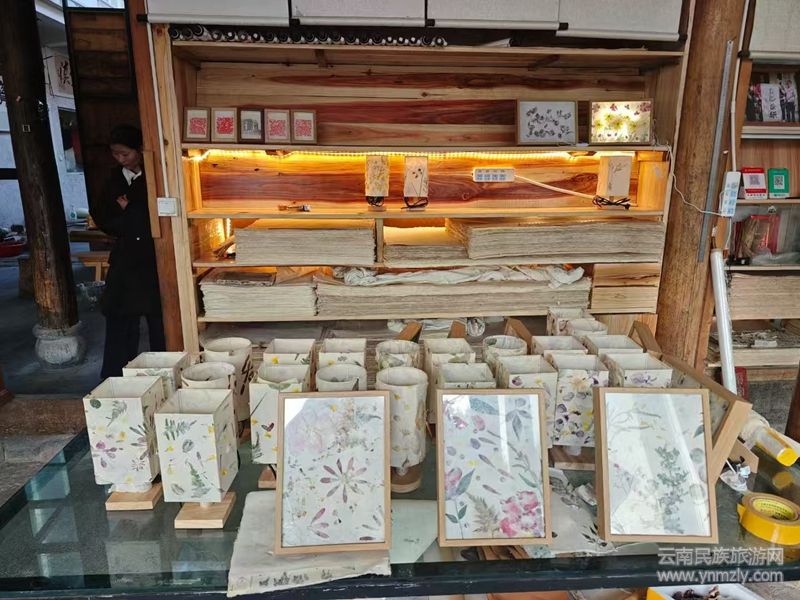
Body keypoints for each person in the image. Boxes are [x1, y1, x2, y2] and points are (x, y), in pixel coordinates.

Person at [92, 125, 165, 378]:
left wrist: (130, 209)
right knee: (119, 316)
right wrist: (130, 218)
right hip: (125, 255)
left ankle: (165, 372)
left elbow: (159, 216)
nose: (121, 159)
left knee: (160, 320)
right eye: (116, 154)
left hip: (153, 254)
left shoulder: (155, 176)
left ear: (139, 150)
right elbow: (102, 215)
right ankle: (116, 377)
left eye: (125, 154)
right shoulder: (114, 179)